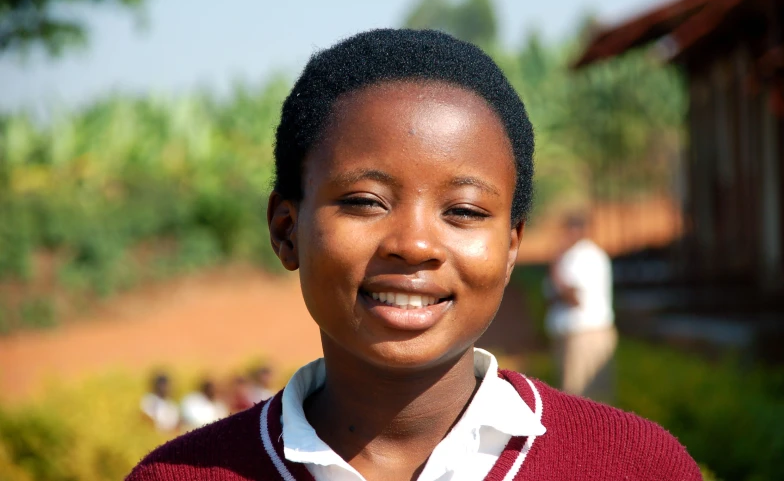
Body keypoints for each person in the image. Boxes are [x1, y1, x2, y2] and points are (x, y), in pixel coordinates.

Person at [127, 29, 701, 480]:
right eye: (365, 201)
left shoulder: (637, 466)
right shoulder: (181, 475)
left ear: (511, 247)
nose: (415, 244)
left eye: (465, 211)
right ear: (286, 230)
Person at [544, 213, 617, 402]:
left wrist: (555, 271)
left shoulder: (585, 256)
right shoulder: (573, 255)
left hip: (585, 336)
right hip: (576, 335)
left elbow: (573, 298)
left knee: (580, 400)